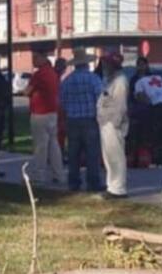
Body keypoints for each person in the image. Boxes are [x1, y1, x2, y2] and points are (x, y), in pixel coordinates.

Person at [59, 48, 104, 193]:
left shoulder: (66, 81)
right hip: (90, 119)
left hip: (72, 120)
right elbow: (101, 99)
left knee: (73, 153)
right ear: (87, 64)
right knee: (92, 152)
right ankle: (93, 182)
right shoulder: (94, 79)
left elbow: (62, 102)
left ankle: (74, 182)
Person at [24, 51, 63, 185]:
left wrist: (25, 91)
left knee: (41, 145)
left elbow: (27, 91)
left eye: (35, 57)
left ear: (42, 58)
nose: (33, 61)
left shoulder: (39, 74)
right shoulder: (52, 73)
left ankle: (39, 174)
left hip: (40, 113)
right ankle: (59, 174)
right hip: (52, 111)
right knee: (54, 144)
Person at [131, 57, 162, 168]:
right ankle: (153, 159)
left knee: (157, 135)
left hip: (155, 108)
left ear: (147, 65)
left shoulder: (145, 80)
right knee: (153, 135)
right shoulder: (137, 79)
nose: (141, 67)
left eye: (143, 64)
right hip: (156, 108)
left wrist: (149, 103)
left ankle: (157, 160)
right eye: (139, 65)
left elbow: (140, 96)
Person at [98, 50, 129, 199]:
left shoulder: (120, 81)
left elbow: (120, 104)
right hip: (105, 122)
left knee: (116, 156)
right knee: (109, 156)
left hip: (112, 123)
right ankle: (112, 185)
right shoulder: (110, 80)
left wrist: (115, 123)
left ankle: (118, 188)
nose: (103, 65)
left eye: (106, 62)